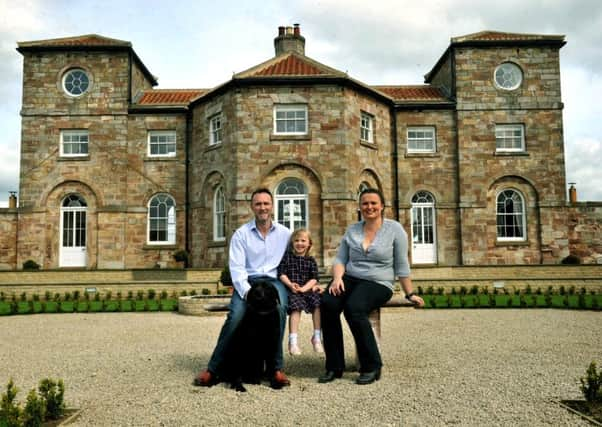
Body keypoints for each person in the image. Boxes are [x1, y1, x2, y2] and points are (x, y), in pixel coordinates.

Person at [318, 188, 424, 385]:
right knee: (328, 303)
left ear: (382, 206)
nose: (369, 207)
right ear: (359, 207)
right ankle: (334, 366)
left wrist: (410, 293)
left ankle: (372, 365)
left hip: (378, 282)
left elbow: (401, 264)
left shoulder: (394, 230)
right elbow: (341, 258)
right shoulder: (353, 229)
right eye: (365, 203)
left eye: (374, 203)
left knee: (354, 308)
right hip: (350, 277)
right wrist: (337, 279)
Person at [194, 188, 292, 388]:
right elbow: (237, 269)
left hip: (273, 282)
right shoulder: (241, 234)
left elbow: (296, 260)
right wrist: (249, 294)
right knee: (236, 315)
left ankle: (276, 369)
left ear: (272, 206)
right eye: (258, 204)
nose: (262, 207)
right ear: (252, 207)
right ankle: (213, 369)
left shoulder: (285, 234)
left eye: (266, 203)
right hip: (249, 281)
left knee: (280, 310)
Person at [277, 228, 324, 356]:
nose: (299, 243)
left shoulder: (311, 260)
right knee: (296, 308)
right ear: (292, 243)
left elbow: (314, 278)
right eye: (296, 240)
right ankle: (293, 341)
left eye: (303, 240)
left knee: (318, 303)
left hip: (306, 290)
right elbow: (281, 274)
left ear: (309, 244)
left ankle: (317, 337)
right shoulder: (287, 258)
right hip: (292, 289)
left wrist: (305, 288)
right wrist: (290, 284)